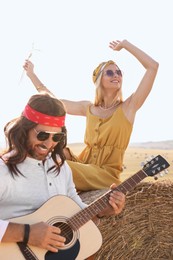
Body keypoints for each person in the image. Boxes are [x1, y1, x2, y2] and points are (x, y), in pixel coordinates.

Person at [23, 39, 159, 191]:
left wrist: (126, 44)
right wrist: (32, 75)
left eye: (118, 72)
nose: (116, 75)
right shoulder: (88, 108)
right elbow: (53, 101)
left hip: (105, 174)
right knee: (49, 152)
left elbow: (153, 67)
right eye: (110, 72)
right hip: (84, 165)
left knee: (58, 165)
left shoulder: (129, 107)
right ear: (99, 80)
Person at [0, 93, 125, 255]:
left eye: (56, 137)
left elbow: (76, 209)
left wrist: (102, 211)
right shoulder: (3, 170)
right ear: (24, 129)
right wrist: (27, 233)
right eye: (42, 135)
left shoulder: (61, 167)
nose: (48, 143)